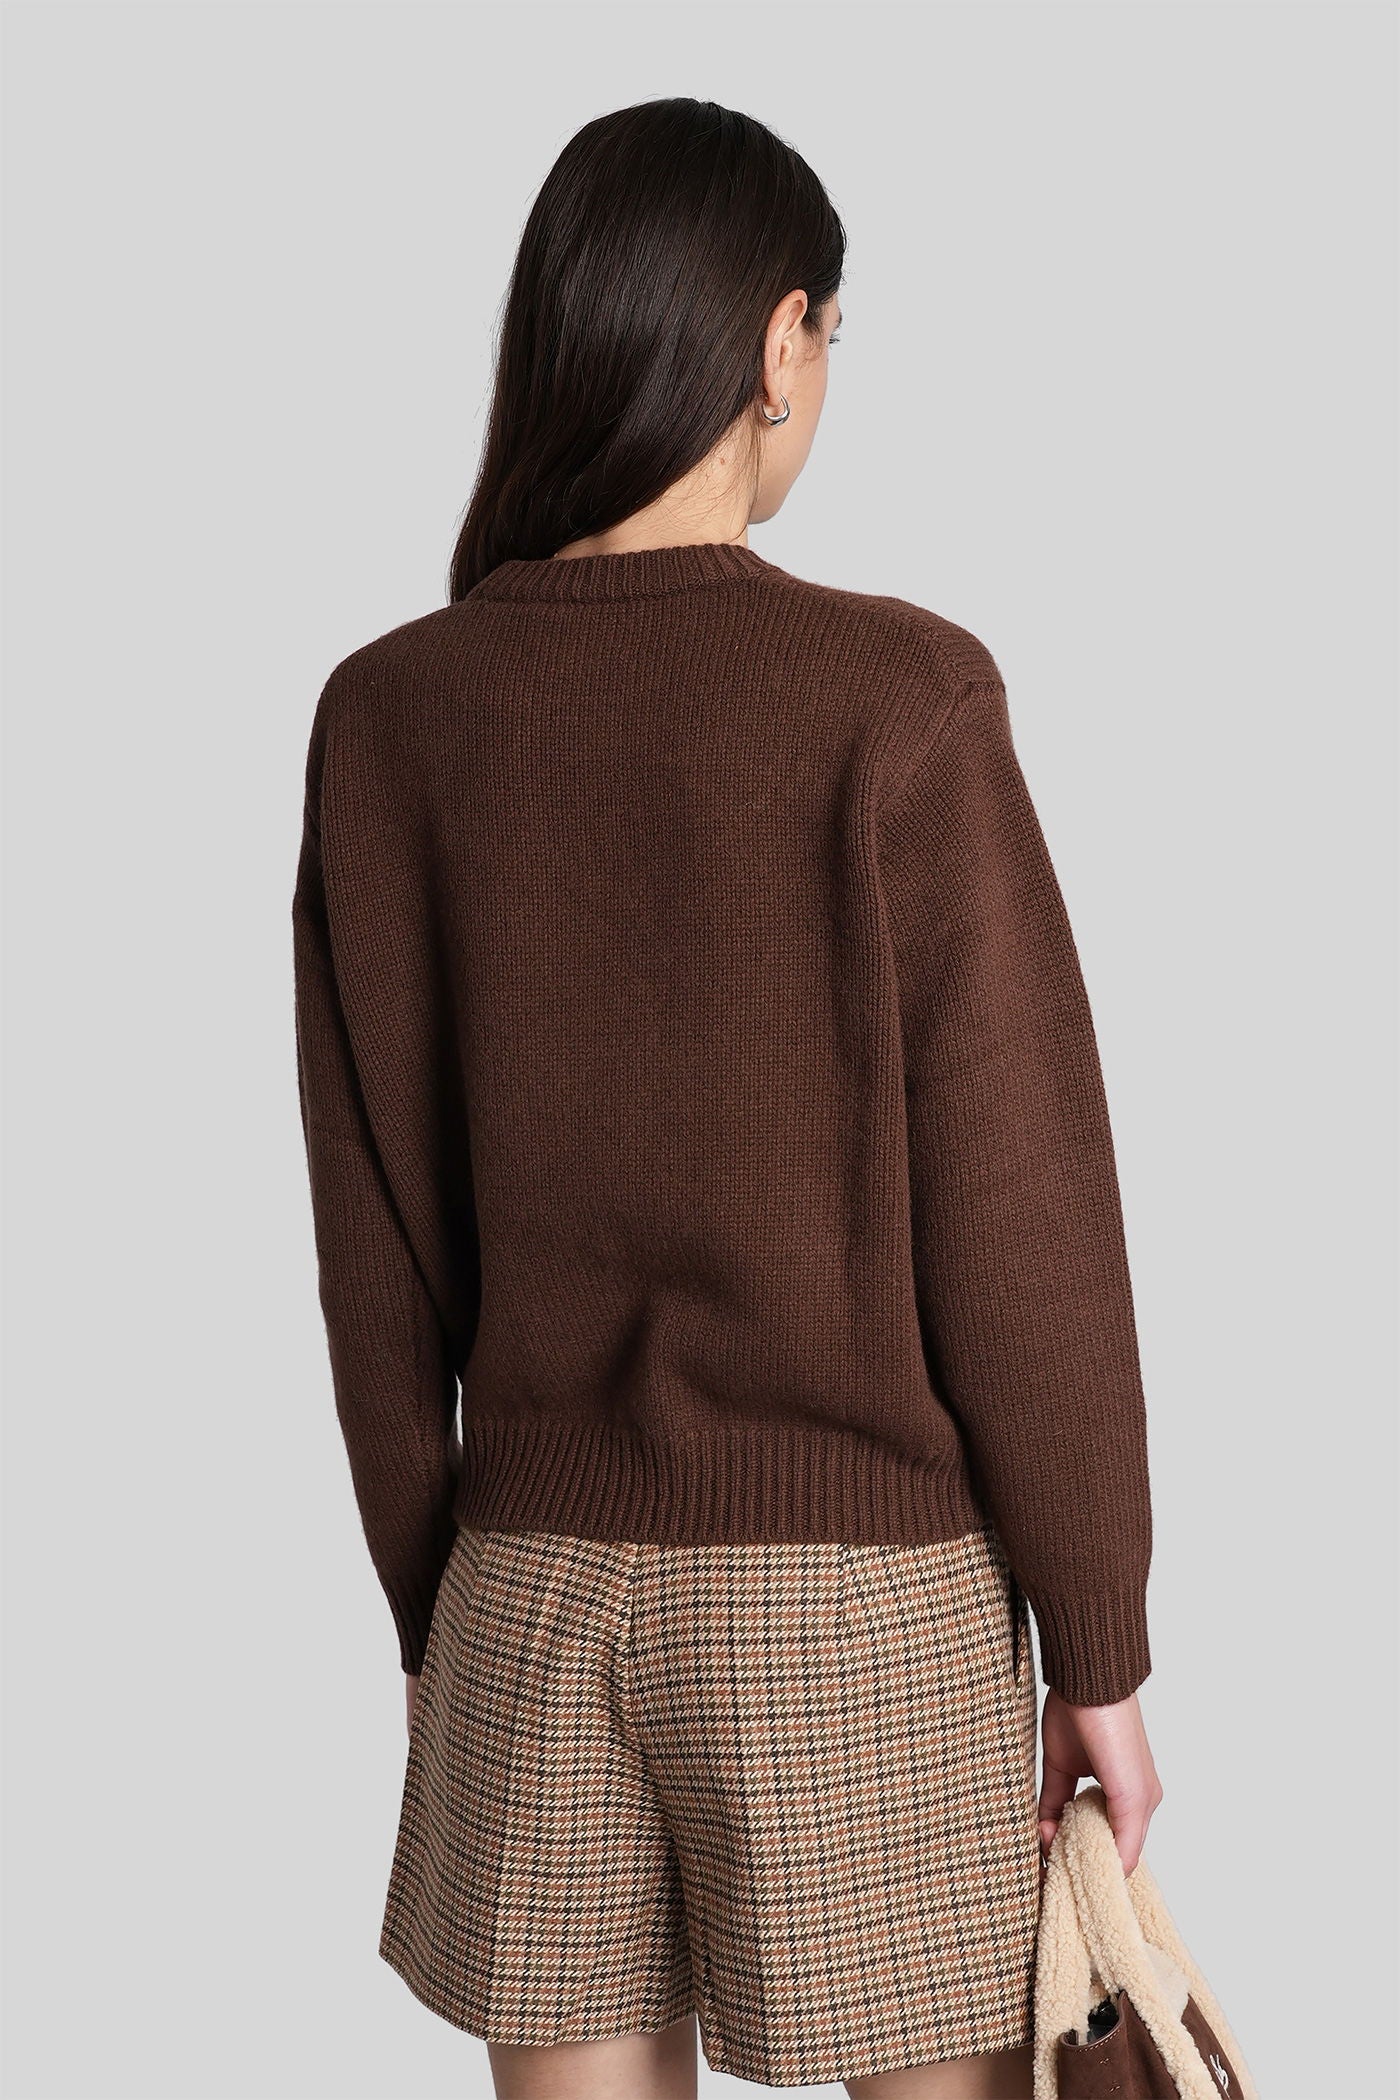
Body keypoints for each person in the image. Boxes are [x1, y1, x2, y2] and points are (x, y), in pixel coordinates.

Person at [291, 95, 1163, 2100]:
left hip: (526, 1593)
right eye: (829, 340)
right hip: (858, 1611)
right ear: (777, 343)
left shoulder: (388, 715)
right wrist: (1098, 1647)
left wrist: (434, 1609)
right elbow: (1023, 1217)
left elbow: (373, 1247)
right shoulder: (897, 697)